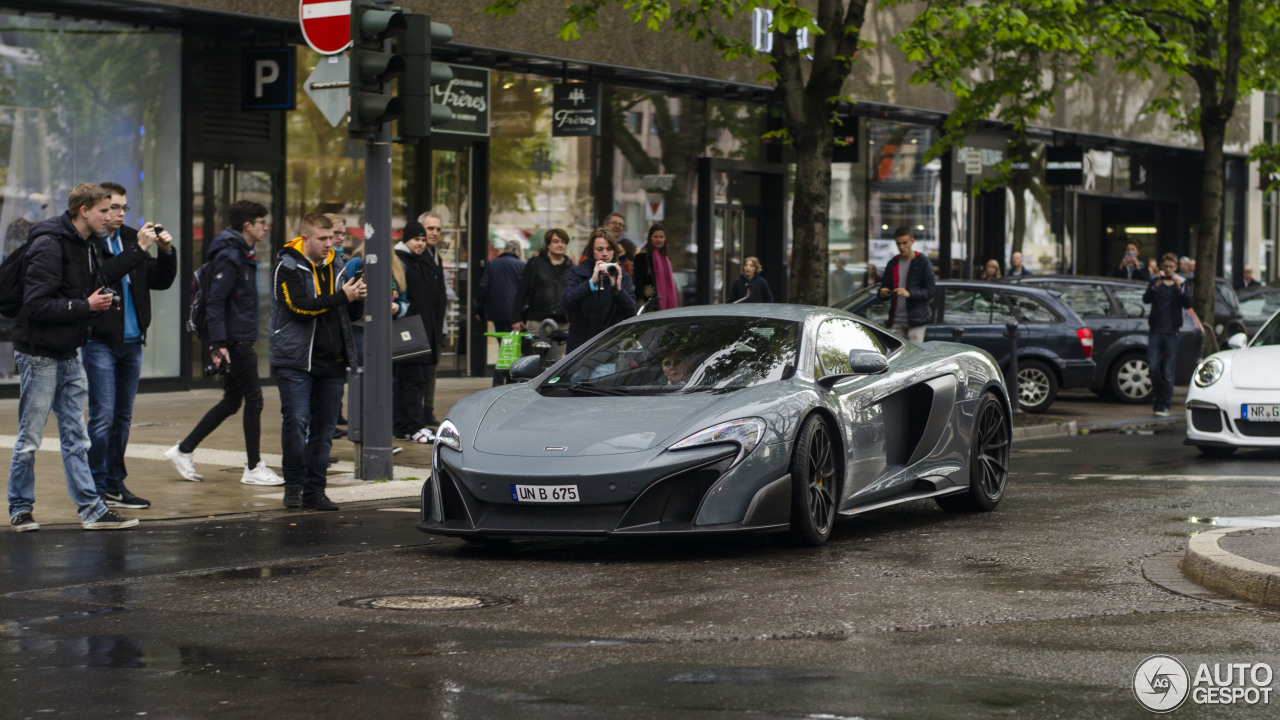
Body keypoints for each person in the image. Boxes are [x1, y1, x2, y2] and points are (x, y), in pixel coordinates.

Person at [8, 183, 138, 531]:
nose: (111, 217)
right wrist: (85, 305)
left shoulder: (89, 245)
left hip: (69, 352)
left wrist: (96, 301)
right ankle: (20, 507)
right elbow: (35, 305)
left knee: (76, 435)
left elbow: (83, 291)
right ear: (84, 211)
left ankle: (91, 509)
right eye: (104, 211)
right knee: (30, 436)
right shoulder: (49, 244)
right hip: (39, 355)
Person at [164, 200, 282, 486]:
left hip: (236, 337)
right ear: (247, 225)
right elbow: (216, 301)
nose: (265, 227)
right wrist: (219, 343)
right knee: (253, 398)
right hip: (234, 340)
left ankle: (184, 450)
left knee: (232, 401)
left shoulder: (241, 253)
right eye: (260, 222)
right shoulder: (230, 256)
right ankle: (253, 467)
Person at [84, 182, 177, 510]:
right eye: (113, 208)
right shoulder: (91, 242)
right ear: (99, 208)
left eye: (124, 207)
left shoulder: (130, 238)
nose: (120, 213)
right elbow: (101, 277)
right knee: (102, 417)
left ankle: (115, 482)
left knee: (122, 417)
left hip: (133, 341)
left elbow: (160, 281)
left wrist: (167, 252)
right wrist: (138, 249)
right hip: (100, 343)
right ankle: (94, 486)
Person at [269, 213, 366, 511]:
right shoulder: (287, 266)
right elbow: (299, 308)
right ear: (306, 238)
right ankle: (294, 487)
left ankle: (315, 490)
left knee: (324, 432)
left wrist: (357, 298)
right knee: (297, 422)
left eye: (334, 237)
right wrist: (341, 297)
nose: (331, 244)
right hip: (296, 360)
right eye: (323, 239)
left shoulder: (339, 266)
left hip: (332, 360)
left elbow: (348, 315)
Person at [392, 218, 443, 444]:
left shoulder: (421, 261)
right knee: (411, 380)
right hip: (408, 331)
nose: (420, 243)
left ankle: (404, 426)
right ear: (406, 240)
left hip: (422, 330)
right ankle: (413, 426)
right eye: (416, 239)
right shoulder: (401, 261)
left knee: (413, 380)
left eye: (423, 239)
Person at [563, 228, 637, 352]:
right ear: (592, 250)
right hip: (578, 349)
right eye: (599, 249)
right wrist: (591, 283)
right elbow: (567, 302)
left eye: (609, 249)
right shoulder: (578, 272)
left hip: (607, 349)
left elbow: (631, 313)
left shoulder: (622, 275)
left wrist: (618, 290)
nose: (605, 254)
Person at [1143, 253, 1193, 417]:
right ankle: (1158, 396)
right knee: (1153, 366)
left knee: (1168, 372)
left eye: (1171, 267)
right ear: (1162, 267)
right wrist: (1155, 286)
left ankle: (1165, 405)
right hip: (1156, 331)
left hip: (1172, 332)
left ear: (1176, 268)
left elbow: (1188, 304)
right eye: (1166, 267)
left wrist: (1180, 288)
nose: (1168, 269)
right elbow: (1146, 299)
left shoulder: (1182, 283)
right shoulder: (1154, 281)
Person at [476, 240, 526, 384]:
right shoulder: (521, 266)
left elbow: (483, 288)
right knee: (513, 349)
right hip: (516, 316)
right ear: (517, 251)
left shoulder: (492, 264)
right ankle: (509, 380)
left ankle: (498, 381)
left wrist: (479, 309)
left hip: (497, 314)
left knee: (503, 348)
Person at [877, 226, 936, 343]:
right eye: (898, 243)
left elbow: (930, 291)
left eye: (905, 243)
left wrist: (909, 293)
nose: (901, 247)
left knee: (914, 357)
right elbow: (884, 287)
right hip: (896, 320)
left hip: (916, 320)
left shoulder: (923, 262)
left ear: (912, 241)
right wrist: (882, 293)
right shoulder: (893, 263)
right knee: (898, 357)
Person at [511, 228, 572, 331]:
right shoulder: (535, 264)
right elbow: (522, 291)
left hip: (564, 324)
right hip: (537, 323)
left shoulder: (572, 268)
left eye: (563, 242)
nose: (560, 245)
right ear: (548, 245)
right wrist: (515, 318)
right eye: (556, 241)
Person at [632, 223, 677, 312]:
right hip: (649, 303)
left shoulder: (666, 257)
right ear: (650, 238)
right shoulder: (642, 257)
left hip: (665, 302)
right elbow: (638, 281)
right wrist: (640, 302)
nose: (659, 240)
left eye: (661, 237)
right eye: (655, 237)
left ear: (665, 239)